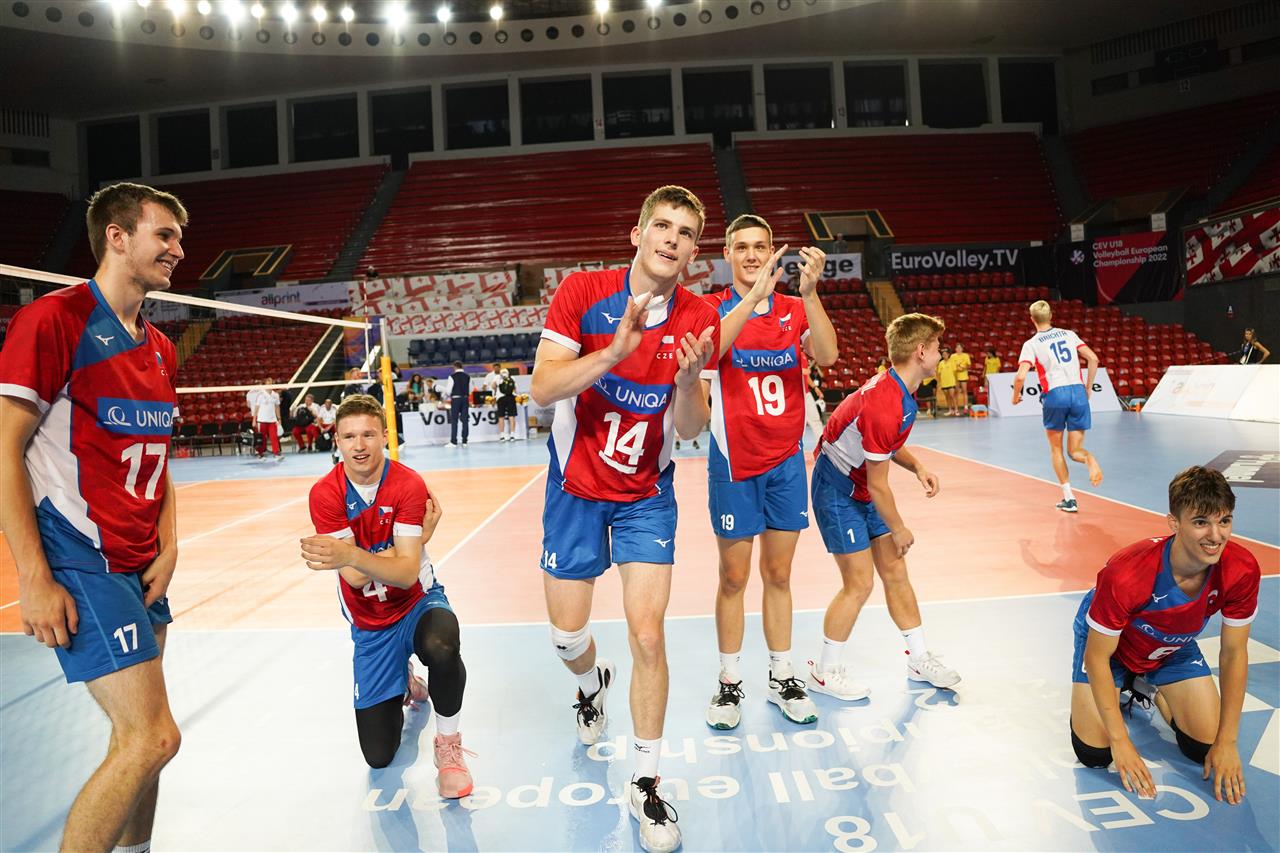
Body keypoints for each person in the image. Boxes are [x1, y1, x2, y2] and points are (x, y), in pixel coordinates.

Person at [531, 185, 720, 853]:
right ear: (637, 234)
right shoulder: (582, 292)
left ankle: (645, 782)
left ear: (694, 251)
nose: (672, 239)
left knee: (647, 634)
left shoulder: (700, 316)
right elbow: (542, 388)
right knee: (566, 636)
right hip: (576, 488)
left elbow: (691, 429)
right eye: (661, 225)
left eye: (685, 232)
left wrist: (688, 384)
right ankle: (591, 683)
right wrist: (612, 352)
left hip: (646, 493)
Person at [0, 181, 187, 852]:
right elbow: (4, 450)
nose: (178, 249)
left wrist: (170, 543)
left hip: (140, 564)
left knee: (140, 737)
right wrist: (33, 576)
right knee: (153, 736)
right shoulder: (53, 321)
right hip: (80, 558)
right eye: (164, 235)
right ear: (117, 235)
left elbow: (159, 459)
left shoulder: (161, 348)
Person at [700, 214, 838, 729]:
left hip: (785, 462)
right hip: (734, 462)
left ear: (773, 250)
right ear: (727, 254)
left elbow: (828, 354)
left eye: (760, 246)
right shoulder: (712, 308)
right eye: (742, 247)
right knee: (733, 577)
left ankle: (782, 675)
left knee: (779, 574)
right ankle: (729, 681)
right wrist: (752, 299)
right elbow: (711, 351)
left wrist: (811, 294)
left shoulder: (793, 309)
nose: (752, 255)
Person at [301, 395, 474, 796]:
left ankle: (448, 746)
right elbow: (355, 579)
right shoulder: (325, 494)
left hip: (417, 603)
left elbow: (408, 573)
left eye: (367, 435)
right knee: (378, 755)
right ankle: (404, 679)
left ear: (384, 436)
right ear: (337, 441)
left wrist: (351, 553)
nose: (359, 445)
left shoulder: (408, 484)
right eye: (349, 437)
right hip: (370, 622)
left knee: (443, 645)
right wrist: (404, 546)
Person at [1069, 466, 1259, 806]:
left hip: (1170, 646)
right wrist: (1121, 741)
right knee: (1095, 754)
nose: (1215, 535)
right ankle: (1124, 680)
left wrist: (1228, 741)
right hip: (1111, 649)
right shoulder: (1128, 573)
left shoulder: (1241, 569)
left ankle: (1148, 686)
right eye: (1200, 522)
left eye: (1224, 521)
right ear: (1174, 523)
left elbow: (1233, 653)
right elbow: (1097, 656)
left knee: (1205, 746)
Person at [810, 313, 961, 700]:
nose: (941, 354)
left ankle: (919, 658)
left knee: (895, 572)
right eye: (938, 348)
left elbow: (887, 445)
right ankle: (825, 672)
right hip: (837, 490)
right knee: (859, 583)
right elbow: (878, 484)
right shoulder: (884, 402)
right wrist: (899, 527)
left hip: (863, 486)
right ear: (921, 351)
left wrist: (917, 467)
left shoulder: (901, 392)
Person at [1012, 300, 1103, 512]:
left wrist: (1015, 396)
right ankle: (1089, 458)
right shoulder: (1069, 334)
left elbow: (1021, 376)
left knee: (1056, 449)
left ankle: (1069, 499)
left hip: (1055, 394)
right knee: (1075, 450)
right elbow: (1093, 359)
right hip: (1078, 393)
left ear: (1032, 319)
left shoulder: (1031, 344)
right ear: (1051, 316)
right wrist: (1088, 387)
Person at [252, 376, 283, 461]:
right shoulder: (260, 395)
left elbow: (277, 407)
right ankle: (261, 454)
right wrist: (254, 419)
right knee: (262, 438)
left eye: (271, 383)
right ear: (265, 384)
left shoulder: (275, 395)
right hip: (262, 420)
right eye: (268, 383)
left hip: (272, 420)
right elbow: (256, 408)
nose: (270, 384)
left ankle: (276, 454)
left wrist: (279, 419)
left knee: (274, 437)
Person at [445, 361, 470, 448]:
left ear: (454, 367)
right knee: (465, 420)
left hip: (456, 399)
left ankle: (453, 441)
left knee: (454, 420)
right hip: (465, 399)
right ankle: (465, 441)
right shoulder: (467, 376)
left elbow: (448, 391)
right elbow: (468, 389)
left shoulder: (452, 376)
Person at [495, 368, 518, 441]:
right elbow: (515, 389)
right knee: (511, 416)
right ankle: (511, 435)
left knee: (502, 416)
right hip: (510, 398)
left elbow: (493, 387)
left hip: (501, 398)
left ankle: (503, 436)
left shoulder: (497, 378)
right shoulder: (512, 378)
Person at [949, 343, 972, 415]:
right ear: (955, 349)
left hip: (963, 376)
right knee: (956, 392)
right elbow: (951, 366)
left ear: (962, 349)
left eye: (960, 348)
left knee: (964, 391)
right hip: (955, 376)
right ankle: (956, 408)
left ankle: (966, 408)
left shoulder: (966, 355)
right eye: (957, 348)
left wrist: (964, 368)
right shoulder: (952, 356)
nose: (958, 349)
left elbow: (969, 366)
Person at [935, 345, 958, 416]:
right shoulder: (941, 363)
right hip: (944, 383)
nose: (944, 355)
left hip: (951, 382)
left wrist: (956, 382)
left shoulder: (952, 361)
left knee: (952, 396)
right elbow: (938, 374)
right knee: (947, 397)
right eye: (943, 354)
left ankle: (956, 410)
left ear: (948, 354)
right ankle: (950, 410)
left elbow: (955, 373)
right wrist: (939, 382)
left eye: (945, 354)